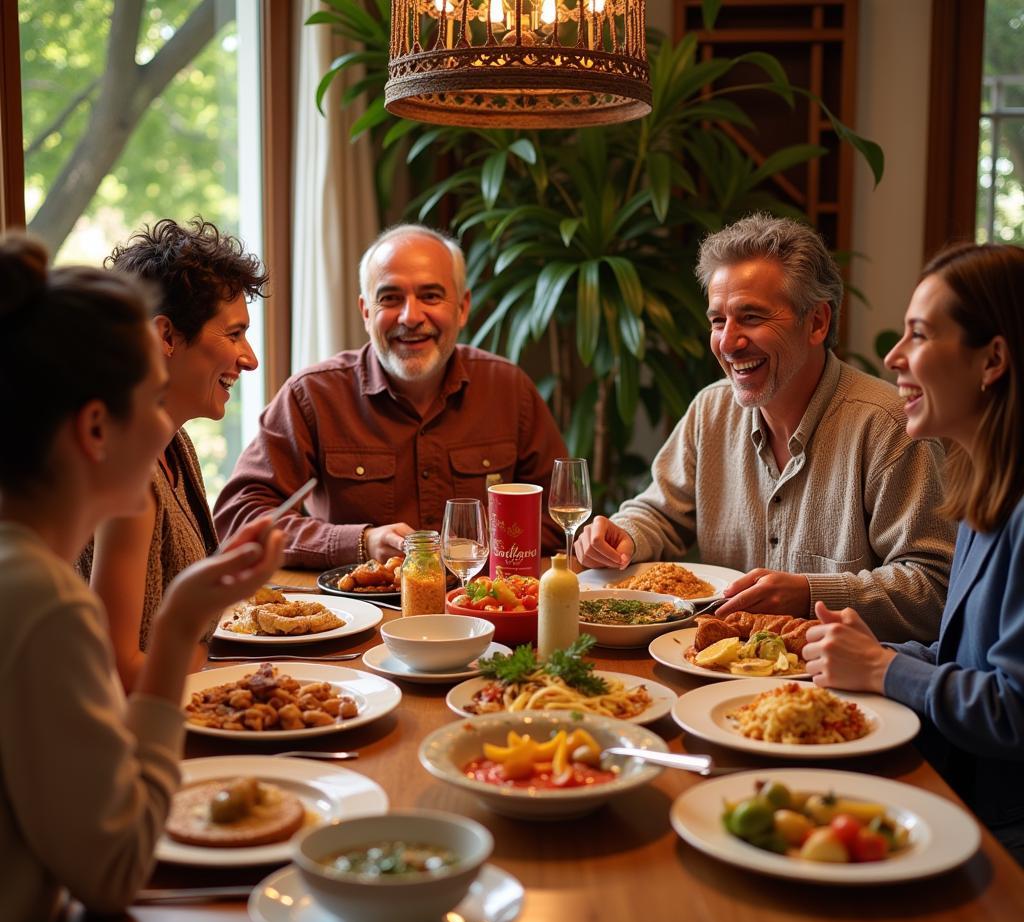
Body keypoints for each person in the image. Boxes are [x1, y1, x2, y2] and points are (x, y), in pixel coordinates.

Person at [0, 235, 283, 922]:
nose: (162, 425)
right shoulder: (42, 603)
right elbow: (116, 870)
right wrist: (186, 622)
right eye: (147, 396)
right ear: (96, 429)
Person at [575, 213, 955, 642]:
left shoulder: (888, 425)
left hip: (839, 686)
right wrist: (621, 534)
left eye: (751, 317)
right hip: (714, 667)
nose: (729, 342)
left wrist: (810, 593)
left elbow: (934, 588)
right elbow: (659, 514)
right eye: (718, 321)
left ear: (816, 323)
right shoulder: (711, 410)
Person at [803, 242, 1024, 864]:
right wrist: (845, 652)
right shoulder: (987, 495)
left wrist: (880, 670)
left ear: (993, 360)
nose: (894, 357)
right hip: (959, 798)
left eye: (919, 335)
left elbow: (1014, 709)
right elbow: (963, 660)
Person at [213, 223, 568, 568]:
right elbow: (240, 520)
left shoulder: (508, 389)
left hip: (484, 610)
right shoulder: (313, 395)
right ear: (366, 312)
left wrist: (482, 550)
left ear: (462, 308)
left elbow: (561, 514)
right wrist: (360, 543)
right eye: (390, 298)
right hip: (358, 617)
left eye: (430, 295)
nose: (411, 317)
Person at [78, 218, 269, 690]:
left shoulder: (175, 443)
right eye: (234, 334)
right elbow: (118, 674)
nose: (250, 358)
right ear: (166, 336)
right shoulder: (131, 470)